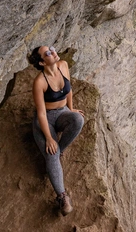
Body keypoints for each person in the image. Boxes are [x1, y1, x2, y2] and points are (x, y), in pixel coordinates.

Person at [27, 45, 84, 216]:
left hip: (62, 113)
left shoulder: (63, 65)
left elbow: (69, 90)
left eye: (51, 48)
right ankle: (62, 196)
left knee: (78, 120)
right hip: (46, 120)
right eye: (48, 53)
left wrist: (71, 108)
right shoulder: (40, 82)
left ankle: (61, 150)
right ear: (43, 62)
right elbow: (41, 113)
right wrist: (49, 138)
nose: (53, 52)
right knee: (51, 152)